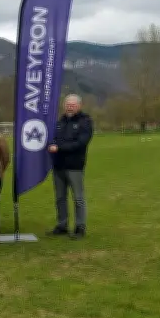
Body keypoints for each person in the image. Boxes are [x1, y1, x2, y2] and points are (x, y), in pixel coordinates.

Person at [48, 94, 94, 239]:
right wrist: (52, 145)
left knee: (78, 198)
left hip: (75, 166)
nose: (70, 106)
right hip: (58, 166)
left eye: (73, 104)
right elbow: (53, 139)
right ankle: (62, 225)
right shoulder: (60, 122)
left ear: (79, 106)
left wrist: (59, 148)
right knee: (60, 197)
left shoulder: (85, 122)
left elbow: (80, 143)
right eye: (68, 104)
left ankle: (80, 227)